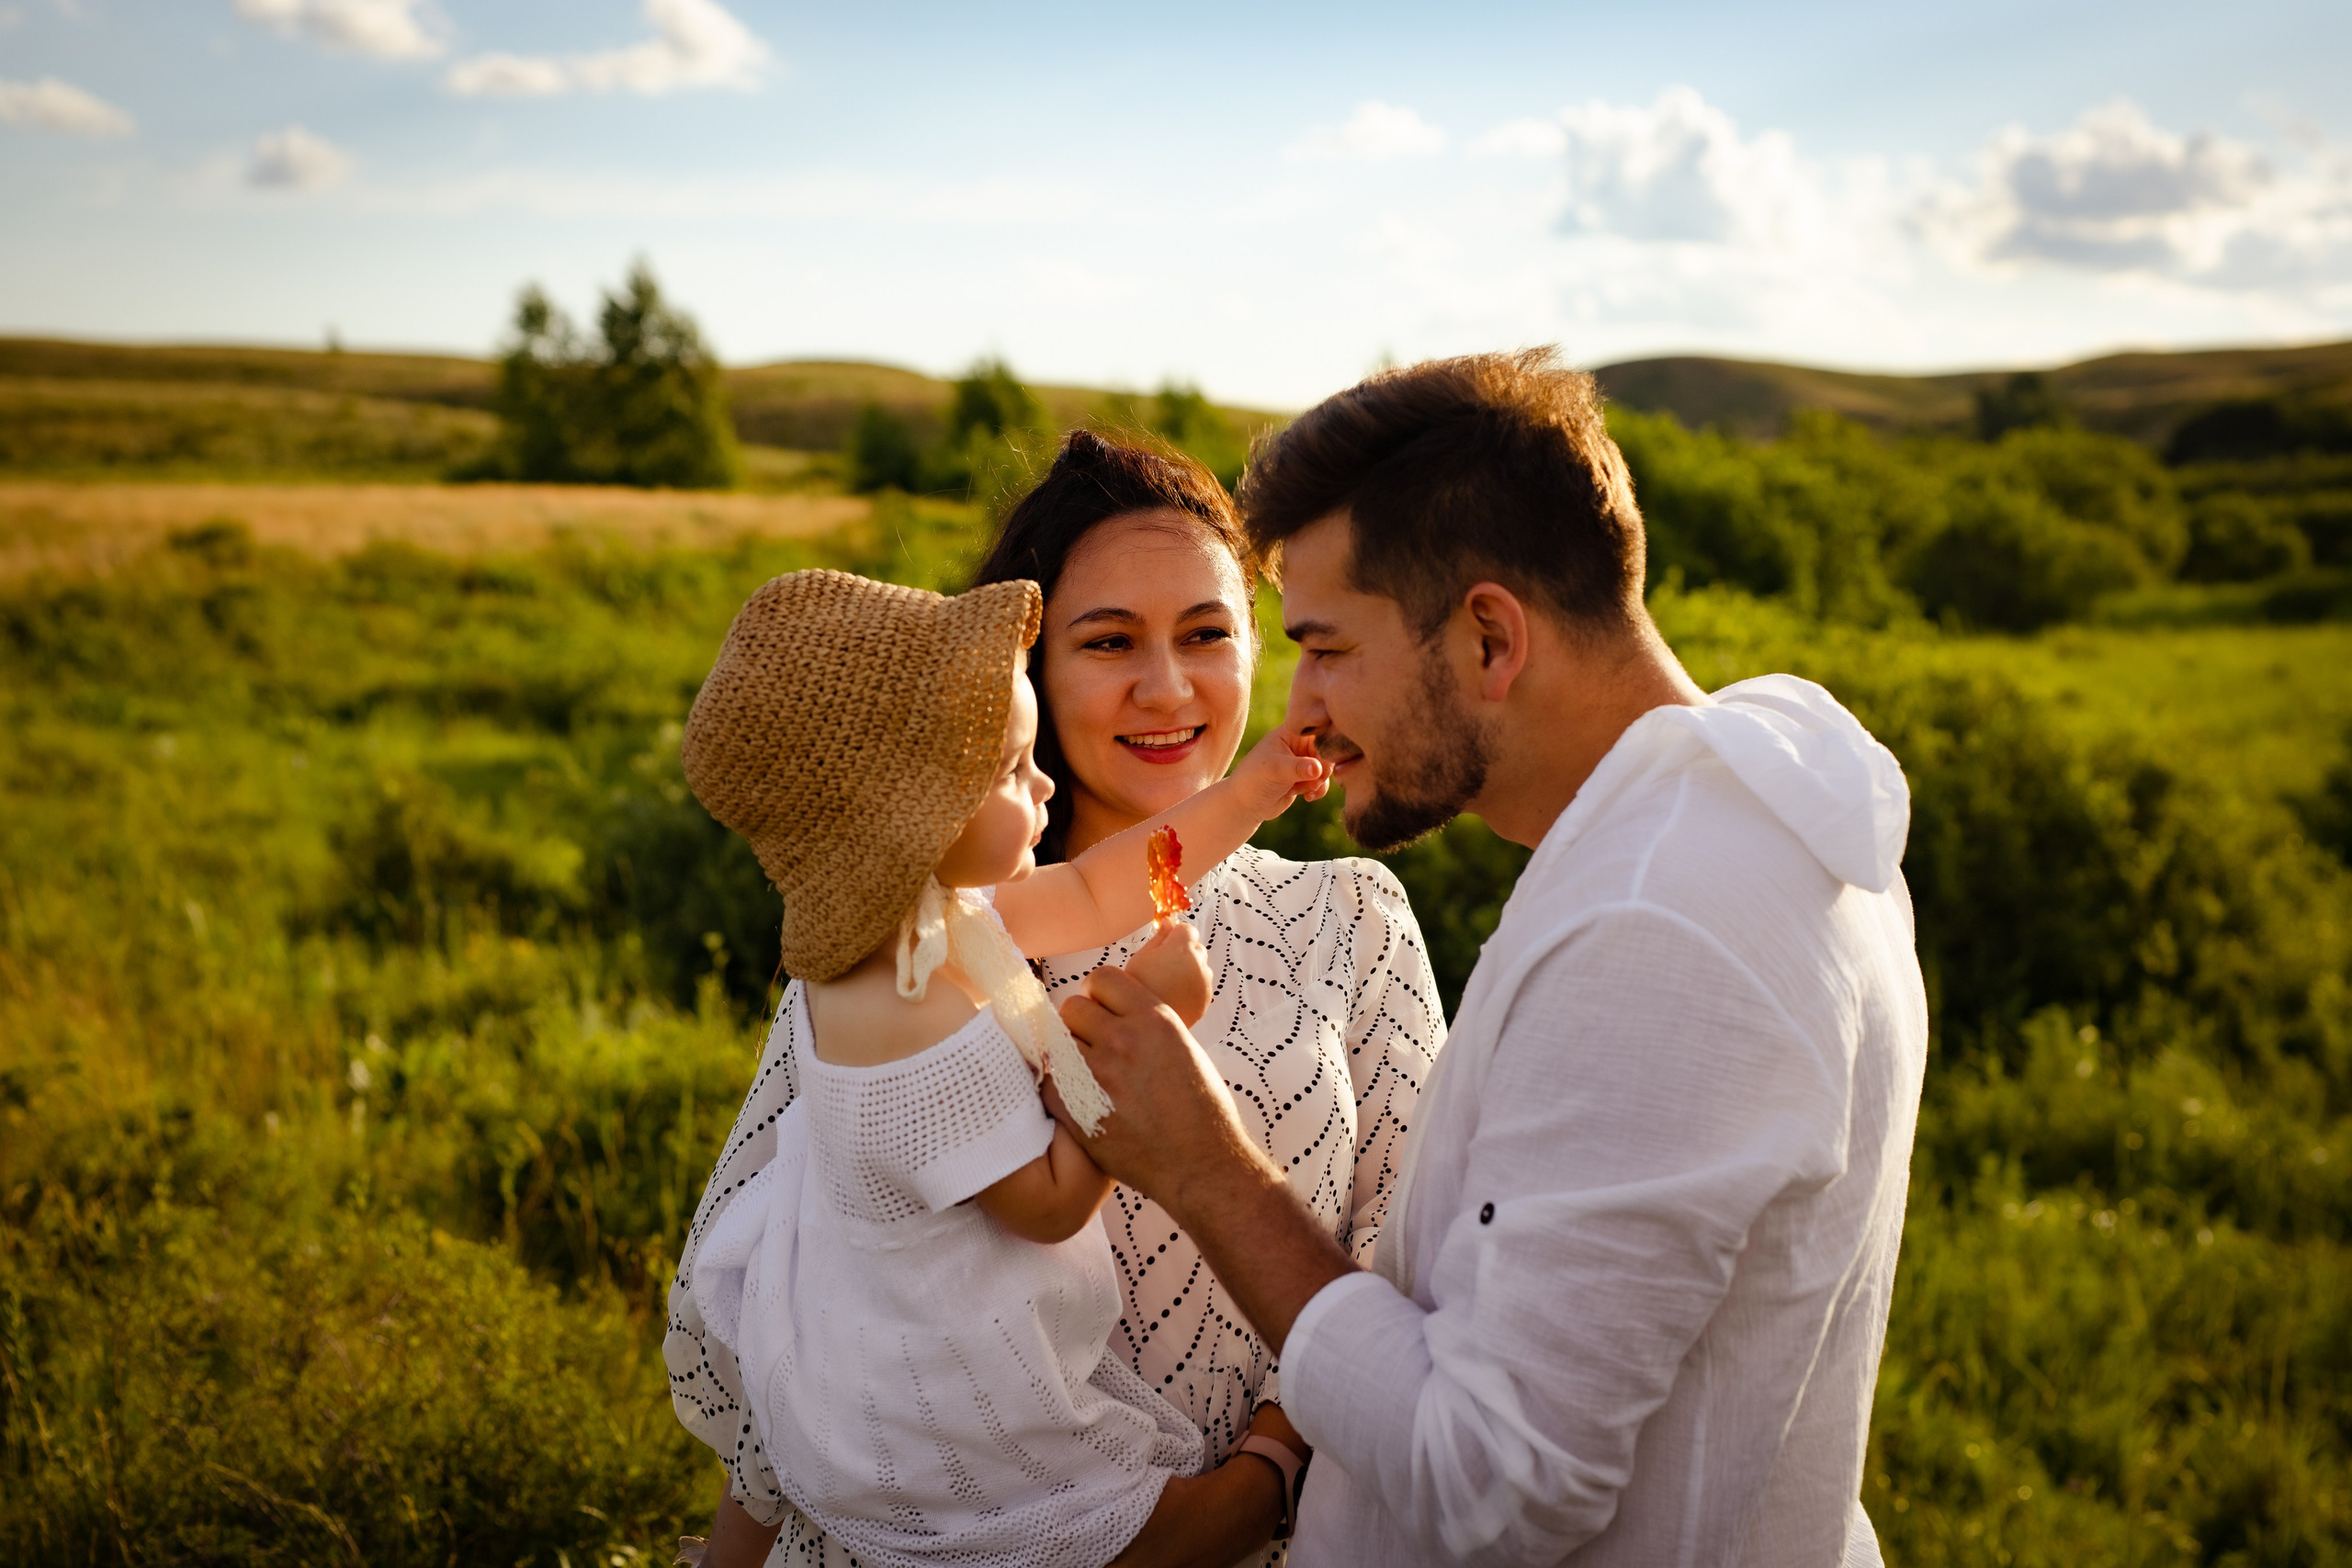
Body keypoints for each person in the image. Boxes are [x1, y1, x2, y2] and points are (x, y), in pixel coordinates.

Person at [1051, 351, 1930, 1566]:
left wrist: (1205, 1169)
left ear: (1489, 638)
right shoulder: (1757, 807)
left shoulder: (1660, 927)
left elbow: (1495, 1480)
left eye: (1329, 646)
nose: (1298, 711)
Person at [666, 431, 1447, 1567]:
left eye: (1207, 634)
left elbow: (1413, 1245)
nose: (1167, 686)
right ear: (1022, 686)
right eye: (1109, 641)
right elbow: (797, 1325)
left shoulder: (1352, 920)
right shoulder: (898, 948)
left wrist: (1266, 1475)